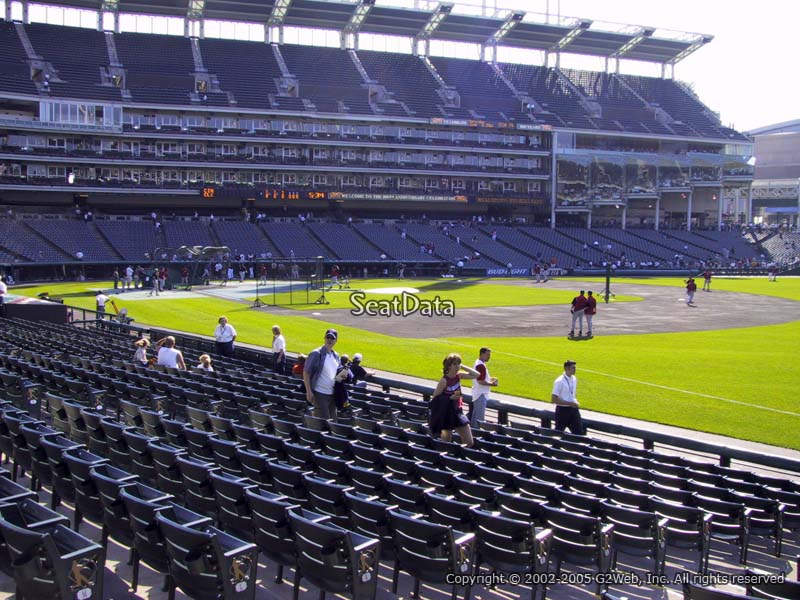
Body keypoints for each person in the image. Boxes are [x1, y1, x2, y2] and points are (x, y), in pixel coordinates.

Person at [429, 353, 477, 447]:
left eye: (458, 363)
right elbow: (435, 400)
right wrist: (450, 398)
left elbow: (476, 375)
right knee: (446, 444)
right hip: (446, 413)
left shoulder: (459, 376)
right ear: (449, 366)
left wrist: (462, 366)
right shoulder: (444, 381)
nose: (457, 366)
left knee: (469, 442)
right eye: (454, 364)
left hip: (458, 412)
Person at [303, 329, 341, 421]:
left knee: (333, 423)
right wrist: (309, 392)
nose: (330, 340)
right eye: (328, 337)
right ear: (324, 338)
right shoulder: (316, 353)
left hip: (332, 394)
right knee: (324, 423)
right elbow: (306, 372)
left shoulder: (336, 356)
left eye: (332, 338)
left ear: (336, 341)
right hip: (320, 394)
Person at [551, 360, 583, 435]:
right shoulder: (559, 381)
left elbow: (571, 394)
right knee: (558, 433)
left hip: (573, 410)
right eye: (573, 368)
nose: (575, 369)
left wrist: (574, 401)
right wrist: (569, 403)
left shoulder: (574, 379)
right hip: (562, 411)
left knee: (579, 433)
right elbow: (553, 399)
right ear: (567, 368)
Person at [470, 347, 498, 428]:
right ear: (482, 354)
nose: (489, 356)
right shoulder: (480, 365)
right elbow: (480, 381)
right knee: (479, 419)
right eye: (487, 354)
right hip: (481, 394)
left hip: (478, 393)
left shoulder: (478, 363)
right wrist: (492, 384)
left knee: (475, 417)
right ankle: (476, 436)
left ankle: (473, 434)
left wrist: (490, 379)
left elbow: (481, 378)